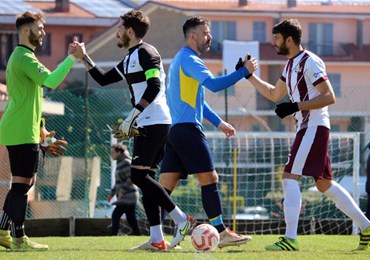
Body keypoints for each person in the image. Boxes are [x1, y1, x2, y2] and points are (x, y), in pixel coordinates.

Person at [72, 10, 193, 251]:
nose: (116, 32)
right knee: (145, 178)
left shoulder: (147, 53)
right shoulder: (129, 58)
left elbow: (155, 85)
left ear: (129, 31)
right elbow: (104, 79)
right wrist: (84, 58)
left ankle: (182, 219)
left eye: (119, 28)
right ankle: (157, 239)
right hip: (146, 122)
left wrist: (132, 116)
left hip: (154, 121)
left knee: (138, 177)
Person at [245, 18, 370, 251]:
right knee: (324, 184)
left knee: (289, 176)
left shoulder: (310, 62)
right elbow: (273, 94)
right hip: (307, 127)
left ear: (289, 40)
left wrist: (295, 107)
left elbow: (329, 96)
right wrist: (249, 76)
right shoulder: (290, 65)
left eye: (277, 38)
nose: (273, 42)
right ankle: (366, 226)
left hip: (314, 126)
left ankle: (290, 239)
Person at [159, 16, 257, 249]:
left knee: (164, 188)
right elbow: (213, 84)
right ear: (192, 36)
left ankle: (156, 237)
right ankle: (222, 233)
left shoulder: (181, 60)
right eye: (205, 33)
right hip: (187, 130)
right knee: (209, 179)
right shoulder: (190, 59)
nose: (209, 37)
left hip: (173, 132)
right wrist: (244, 71)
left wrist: (219, 123)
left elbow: (197, 101)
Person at [0, 11, 73, 251]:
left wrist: (41, 131)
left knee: (24, 184)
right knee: (22, 185)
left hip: (23, 130)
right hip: (19, 130)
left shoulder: (24, 56)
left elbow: (32, 99)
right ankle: (17, 238)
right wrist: (72, 59)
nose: (43, 32)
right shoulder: (24, 57)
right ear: (25, 31)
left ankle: (4, 232)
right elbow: (51, 81)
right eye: (39, 28)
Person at [108, 143, 141, 236]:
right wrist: (112, 194)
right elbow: (119, 182)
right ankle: (138, 235)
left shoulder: (126, 162)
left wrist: (122, 191)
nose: (111, 155)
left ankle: (113, 236)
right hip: (126, 196)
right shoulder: (120, 163)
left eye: (113, 152)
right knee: (131, 218)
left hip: (129, 196)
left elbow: (131, 179)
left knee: (116, 215)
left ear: (119, 152)